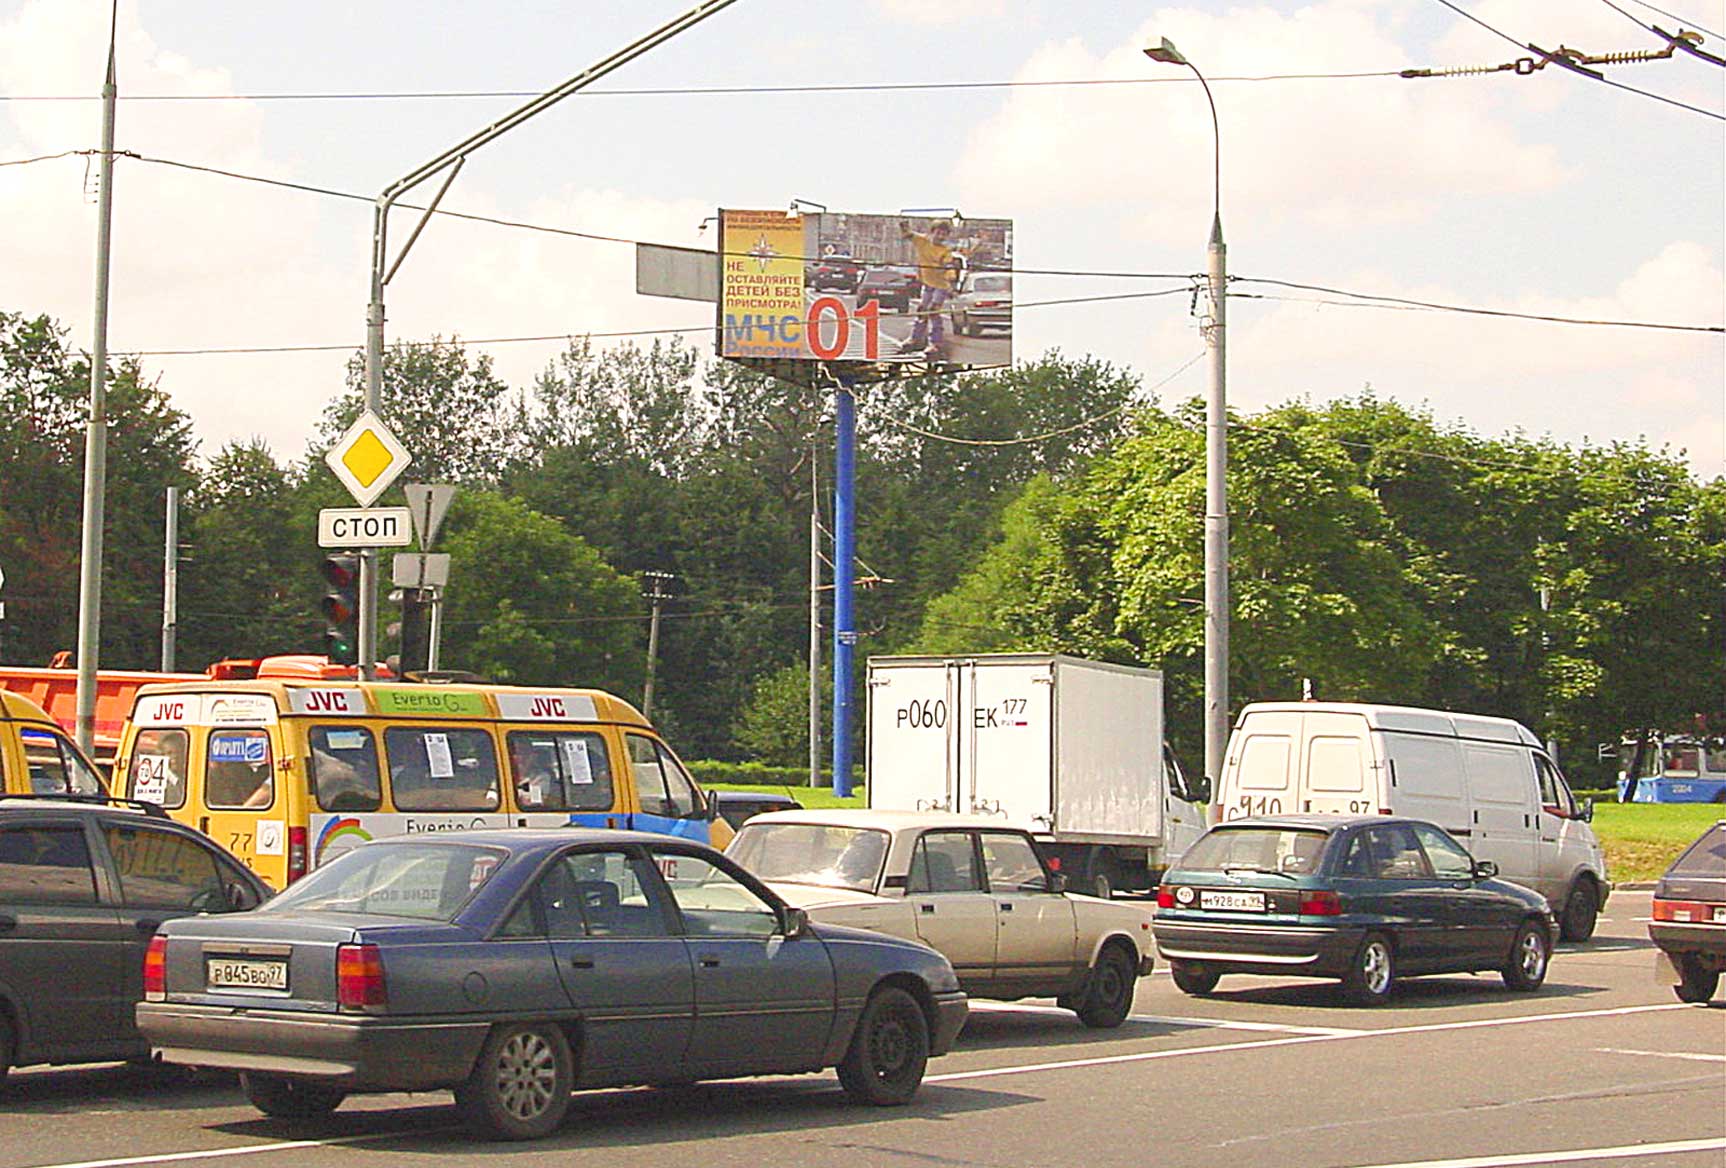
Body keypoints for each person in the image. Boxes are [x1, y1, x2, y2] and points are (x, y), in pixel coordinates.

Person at [899, 219, 963, 355]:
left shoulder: (945, 251)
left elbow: (949, 266)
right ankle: (915, 338)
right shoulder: (923, 241)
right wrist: (904, 226)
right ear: (932, 232)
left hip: (941, 284)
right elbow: (908, 235)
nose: (940, 237)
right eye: (938, 233)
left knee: (933, 311)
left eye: (944, 235)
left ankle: (935, 342)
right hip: (927, 282)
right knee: (922, 310)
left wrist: (951, 282)